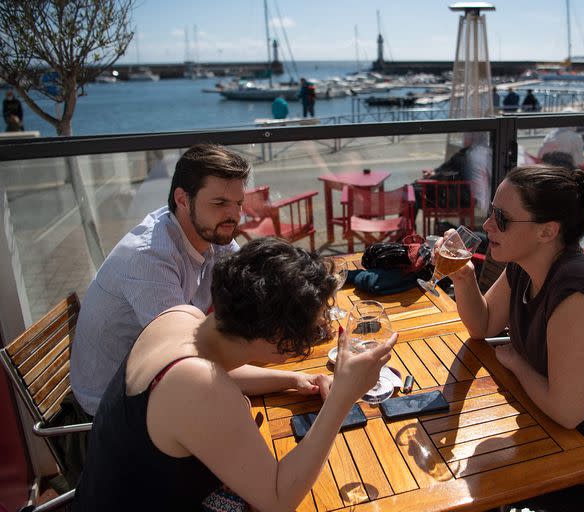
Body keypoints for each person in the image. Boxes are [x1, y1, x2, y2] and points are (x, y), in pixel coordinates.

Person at [72, 237, 397, 510]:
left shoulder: (181, 317)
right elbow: (278, 499)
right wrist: (341, 397)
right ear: (278, 343)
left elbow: (215, 370)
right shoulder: (199, 390)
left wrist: (294, 380)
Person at [446, 164, 584, 510]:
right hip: (555, 429)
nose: (486, 226)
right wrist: (464, 279)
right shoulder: (524, 265)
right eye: (491, 214)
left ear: (547, 232)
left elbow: (568, 411)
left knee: (472, 484)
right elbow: (483, 325)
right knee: (468, 468)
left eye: (502, 218)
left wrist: (517, 363)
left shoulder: (575, 292)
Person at [71, 143, 250, 418]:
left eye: (238, 203)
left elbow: (250, 285)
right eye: (220, 203)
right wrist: (287, 378)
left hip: (162, 375)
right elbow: (186, 360)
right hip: (116, 409)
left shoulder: (211, 231)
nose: (234, 215)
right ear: (182, 199)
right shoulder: (150, 257)